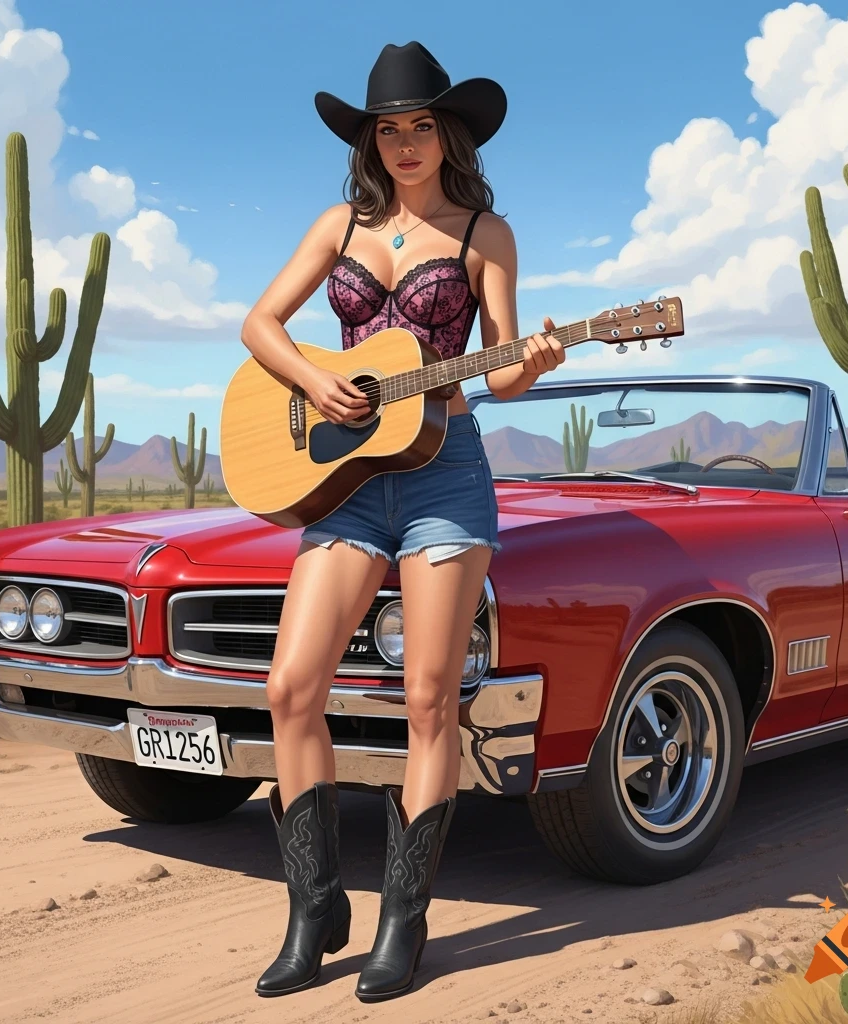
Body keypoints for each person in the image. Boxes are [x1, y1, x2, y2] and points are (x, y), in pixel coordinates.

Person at [239, 40, 565, 1003]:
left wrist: (536, 359)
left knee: (429, 699)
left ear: (447, 133)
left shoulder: (483, 233)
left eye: (422, 126)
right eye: (390, 128)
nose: (406, 143)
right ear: (370, 139)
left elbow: (499, 372)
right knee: (292, 686)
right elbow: (261, 324)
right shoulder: (338, 224)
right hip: (343, 483)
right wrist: (312, 376)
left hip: (445, 478)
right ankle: (314, 908)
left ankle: (402, 923)